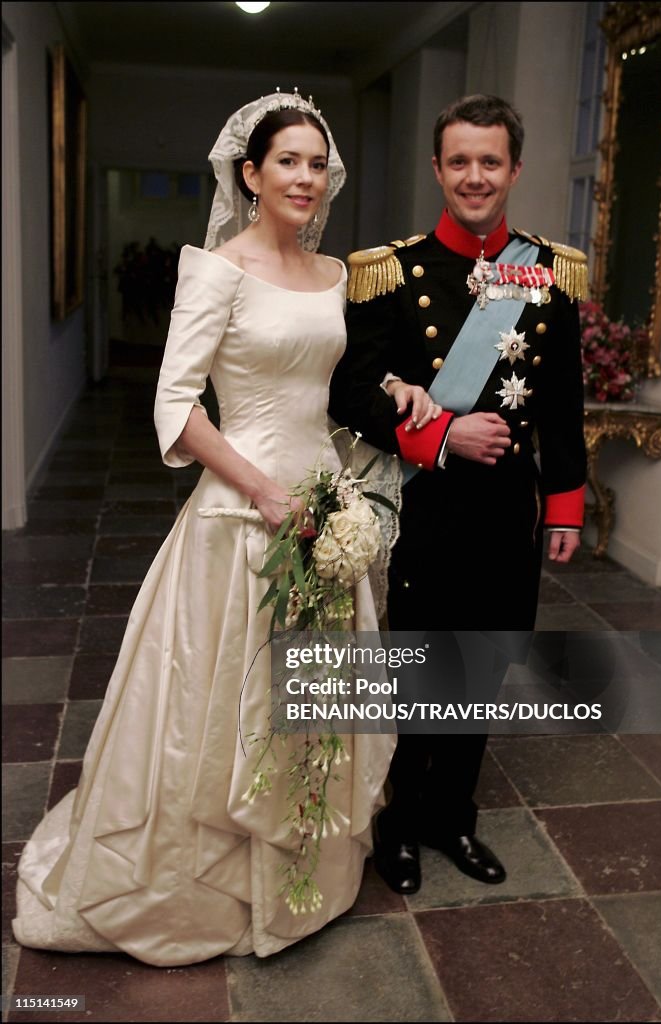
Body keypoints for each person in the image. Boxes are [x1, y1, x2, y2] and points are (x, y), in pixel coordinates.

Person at [13, 91, 395, 964]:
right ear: (250, 174)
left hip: (322, 507)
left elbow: (325, 392)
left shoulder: (332, 273)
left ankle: (300, 863)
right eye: (286, 161)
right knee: (221, 697)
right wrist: (263, 492)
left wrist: (383, 417)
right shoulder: (215, 267)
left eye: (314, 160)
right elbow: (174, 404)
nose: (303, 176)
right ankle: (200, 876)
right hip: (244, 514)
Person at [329, 94, 587, 895]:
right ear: (437, 169)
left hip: (507, 510)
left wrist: (565, 506)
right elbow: (347, 394)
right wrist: (439, 437)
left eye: (490, 161)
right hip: (424, 506)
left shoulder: (548, 274)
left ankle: (453, 817)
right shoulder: (391, 272)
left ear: (513, 168)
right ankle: (401, 825)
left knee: (485, 665)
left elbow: (562, 404)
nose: (474, 176)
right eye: (459, 161)